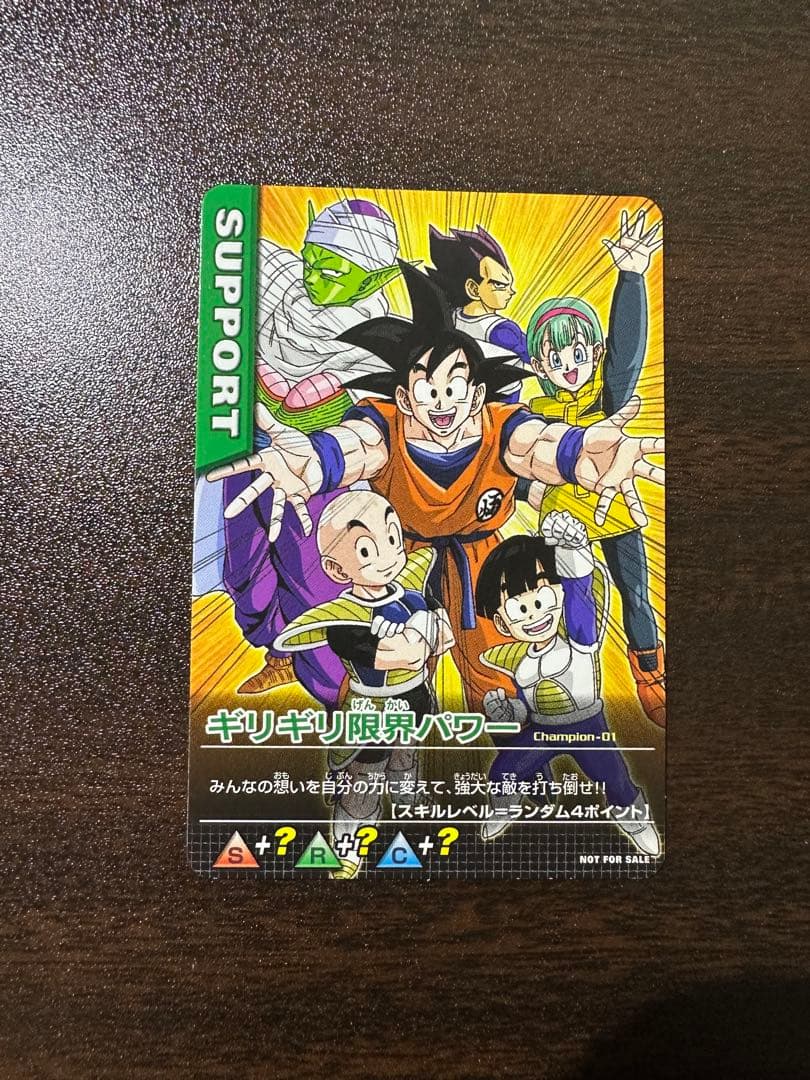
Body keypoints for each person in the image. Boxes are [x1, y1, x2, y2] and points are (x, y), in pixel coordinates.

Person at [209, 261, 665, 711]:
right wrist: (314, 462)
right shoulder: (384, 425)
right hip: (400, 561)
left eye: (456, 386)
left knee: (500, 684)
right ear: (405, 398)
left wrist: (580, 452)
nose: (442, 401)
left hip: (479, 563)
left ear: (477, 394)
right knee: (389, 677)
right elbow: (355, 447)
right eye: (427, 388)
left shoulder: (501, 426)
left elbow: (537, 445)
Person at [197, 198, 402, 704]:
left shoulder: (384, 340)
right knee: (243, 570)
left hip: (313, 473)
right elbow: (230, 245)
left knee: (313, 580)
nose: (313, 275)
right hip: (249, 453)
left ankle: (340, 692)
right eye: (311, 259)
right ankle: (279, 654)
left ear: (374, 280)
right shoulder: (281, 279)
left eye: (332, 270)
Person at [526, 208, 665, 724]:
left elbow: (627, 358)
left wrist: (631, 277)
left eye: (579, 353)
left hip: (616, 511)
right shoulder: (534, 412)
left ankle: (649, 672)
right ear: (538, 365)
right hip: (565, 522)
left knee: (635, 593)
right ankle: (567, 680)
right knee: (569, 598)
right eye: (556, 357)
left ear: (596, 352)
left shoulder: (608, 399)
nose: (569, 366)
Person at [274, 491, 454, 879]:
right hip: (372, 711)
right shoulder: (344, 620)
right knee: (365, 781)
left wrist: (420, 626)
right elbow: (405, 656)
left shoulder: (412, 596)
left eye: (392, 538)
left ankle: (407, 800)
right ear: (337, 569)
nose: (389, 555)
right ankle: (347, 846)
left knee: (406, 757)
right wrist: (419, 632)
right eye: (368, 551)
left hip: (414, 698)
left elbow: (442, 638)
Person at [475, 512, 661, 856]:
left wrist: (571, 549)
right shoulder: (519, 660)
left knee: (617, 783)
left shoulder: (579, 639)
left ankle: (637, 823)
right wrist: (508, 711)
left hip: (588, 728)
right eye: (518, 606)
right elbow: (526, 704)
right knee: (503, 771)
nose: (533, 612)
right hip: (542, 730)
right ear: (502, 622)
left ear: (558, 593)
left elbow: (579, 594)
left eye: (540, 597)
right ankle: (503, 808)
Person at [427, 223, 528, 400]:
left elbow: (536, 357)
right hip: (459, 398)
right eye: (500, 285)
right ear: (473, 289)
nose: (511, 291)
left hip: (500, 402)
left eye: (509, 284)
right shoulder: (451, 319)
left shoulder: (502, 329)